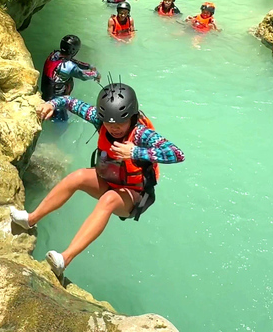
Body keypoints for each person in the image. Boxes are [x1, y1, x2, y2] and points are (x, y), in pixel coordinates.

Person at [10, 83, 185, 277]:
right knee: (77, 177)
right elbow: (70, 102)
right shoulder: (100, 120)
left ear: (132, 117)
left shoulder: (142, 134)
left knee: (108, 200)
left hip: (135, 195)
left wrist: (136, 151)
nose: (114, 128)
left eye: (120, 123)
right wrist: (52, 104)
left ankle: (64, 260)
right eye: (110, 123)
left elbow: (176, 154)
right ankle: (30, 219)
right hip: (110, 179)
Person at [41, 35, 101, 122]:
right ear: (74, 51)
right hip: (58, 101)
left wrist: (89, 66)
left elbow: (72, 61)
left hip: (46, 94)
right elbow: (84, 76)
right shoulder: (68, 67)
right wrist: (96, 74)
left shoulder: (54, 55)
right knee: (61, 123)